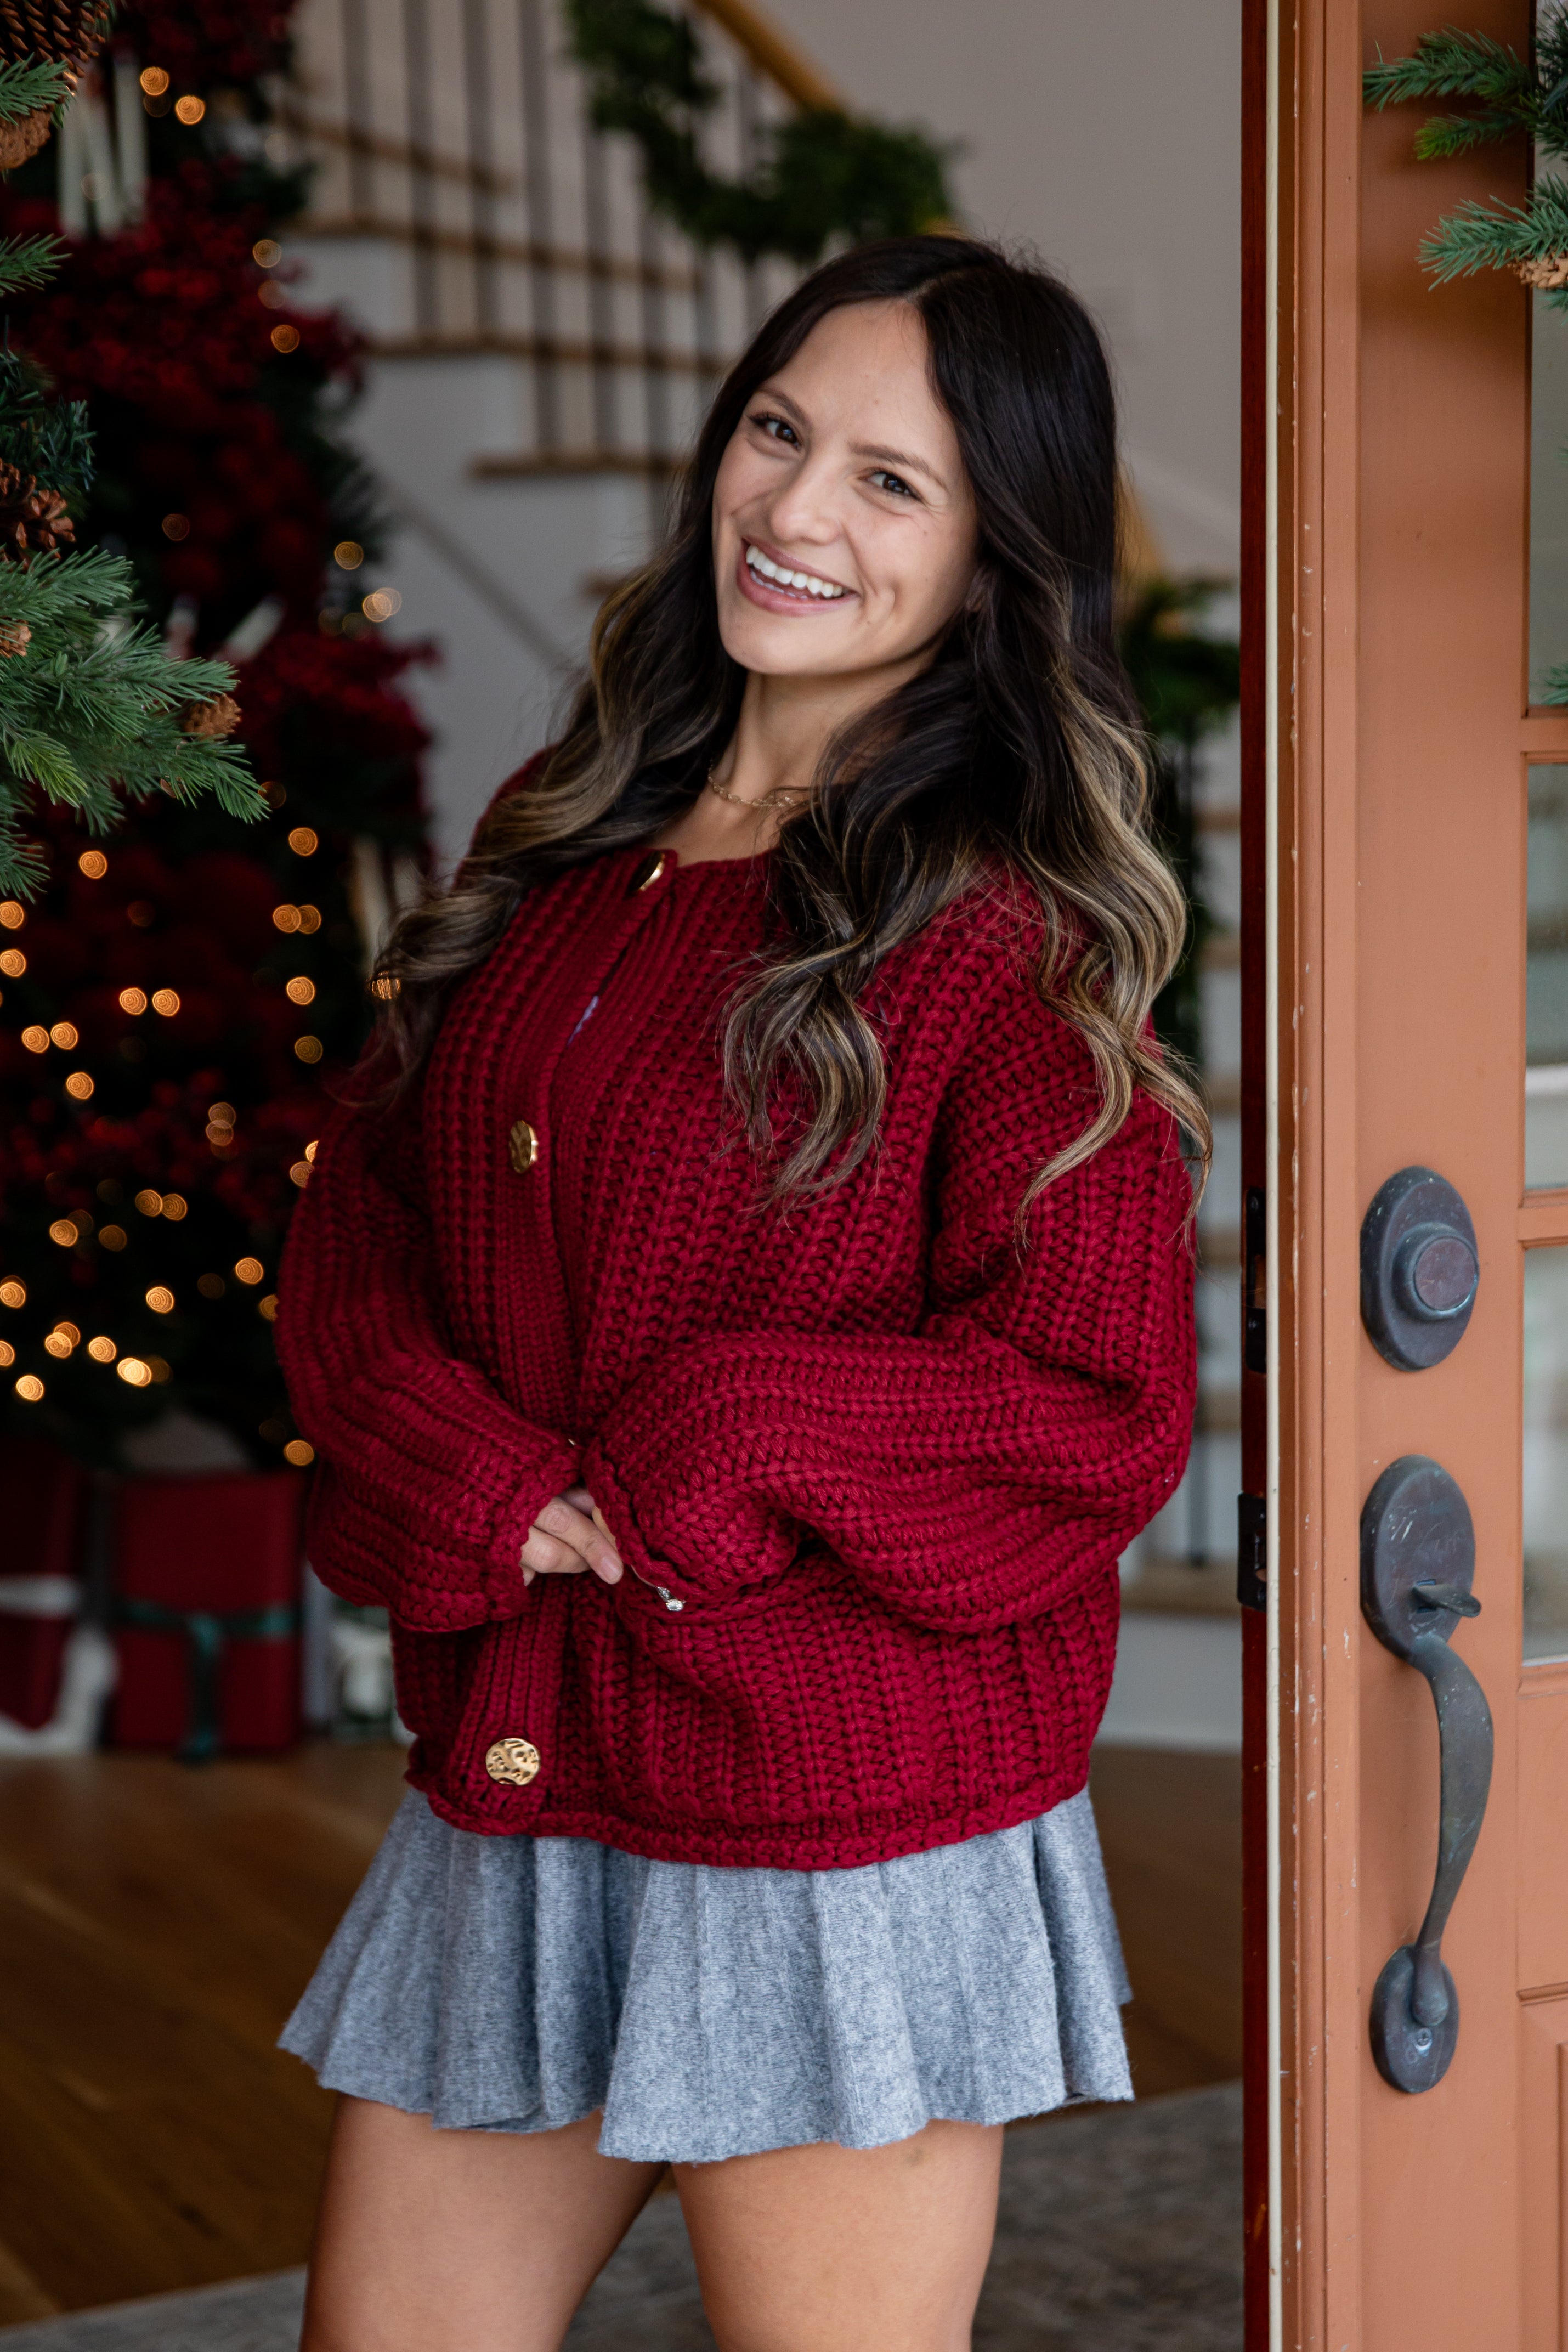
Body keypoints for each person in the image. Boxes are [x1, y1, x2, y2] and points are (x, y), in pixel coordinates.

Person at [275, 233, 1203, 2352]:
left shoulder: (1002, 933)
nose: (794, 512)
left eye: (895, 480)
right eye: (780, 433)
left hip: (830, 1816)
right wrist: (482, 1470)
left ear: (992, 559)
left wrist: (725, 1433)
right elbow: (365, 1208)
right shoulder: (562, 826)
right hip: (522, 1761)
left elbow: (1092, 1392)